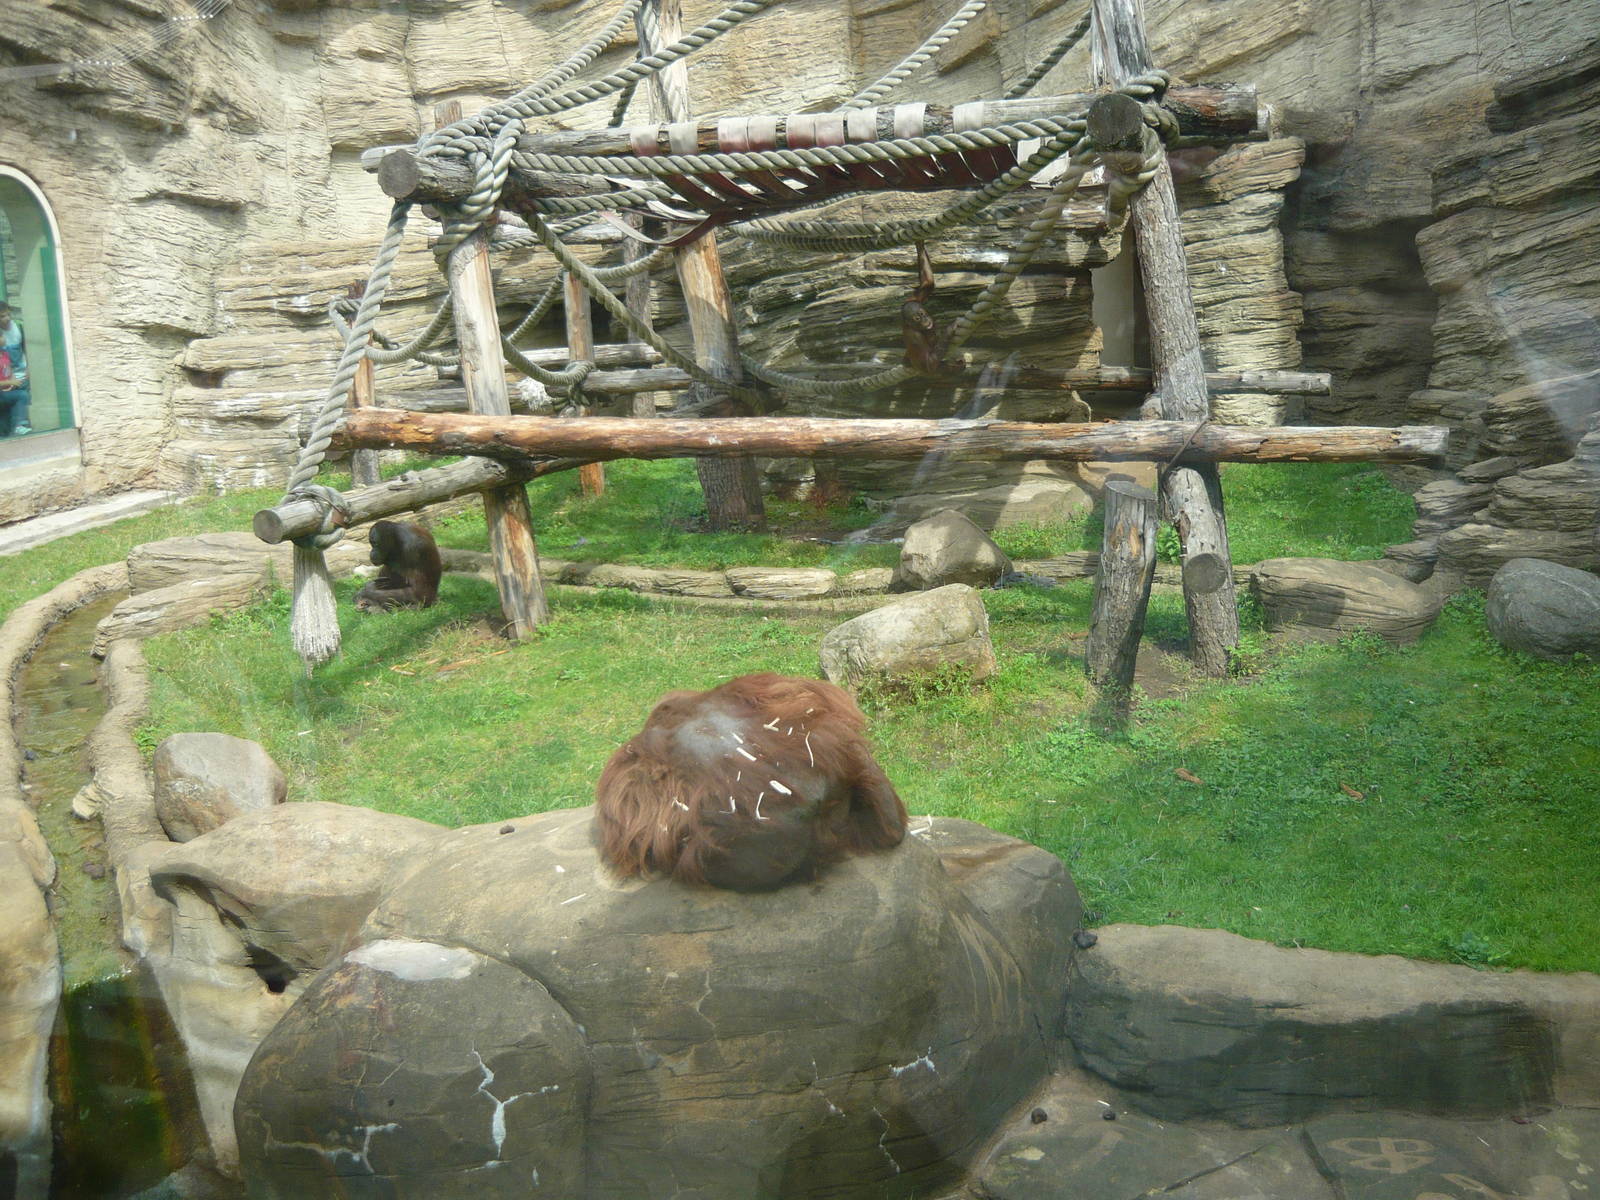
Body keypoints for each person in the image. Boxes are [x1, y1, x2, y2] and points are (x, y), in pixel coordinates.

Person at [0, 303, 30, 437]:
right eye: (2, 317)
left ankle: (17, 427)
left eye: (8, 315)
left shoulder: (18, 326)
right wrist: (7, 382)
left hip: (19, 376)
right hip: (6, 383)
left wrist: (29, 368)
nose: (6, 319)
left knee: (19, 403)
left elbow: (27, 348)